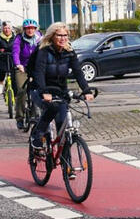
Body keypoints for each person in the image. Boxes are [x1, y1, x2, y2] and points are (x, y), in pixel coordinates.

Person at [30, 22, 94, 153]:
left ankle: (67, 168)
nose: (63, 38)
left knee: (62, 125)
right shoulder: (43, 51)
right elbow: (39, 72)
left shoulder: (69, 52)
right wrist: (44, 92)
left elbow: (78, 72)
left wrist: (86, 90)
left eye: (65, 35)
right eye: (59, 35)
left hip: (60, 90)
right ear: (52, 36)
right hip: (39, 89)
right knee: (52, 108)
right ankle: (38, 134)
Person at [12, 19, 42, 129]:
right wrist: (18, 64)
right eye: (28, 28)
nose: (30, 30)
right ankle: (19, 118)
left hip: (35, 68)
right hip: (22, 68)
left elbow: (44, 50)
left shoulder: (40, 38)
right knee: (21, 90)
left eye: (32, 28)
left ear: (35, 29)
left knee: (37, 90)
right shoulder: (19, 39)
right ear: (24, 29)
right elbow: (15, 52)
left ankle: (35, 114)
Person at [0, 22, 15, 95]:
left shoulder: (15, 38)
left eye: (8, 28)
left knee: (14, 76)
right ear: (2, 29)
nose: (7, 30)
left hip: (12, 59)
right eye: (5, 28)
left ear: (11, 29)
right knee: (1, 75)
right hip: (2, 59)